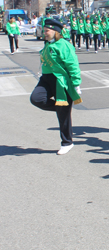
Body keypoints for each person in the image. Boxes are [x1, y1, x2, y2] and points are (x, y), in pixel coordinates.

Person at [30, 19, 83, 155]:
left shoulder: (64, 45)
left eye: (47, 31)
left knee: (63, 116)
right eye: (44, 30)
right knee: (36, 99)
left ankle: (67, 142)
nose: (44, 33)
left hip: (61, 81)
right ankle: (60, 108)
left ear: (56, 32)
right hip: (46, 79)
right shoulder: (48, 44)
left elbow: (73, 64)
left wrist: (76, 83)